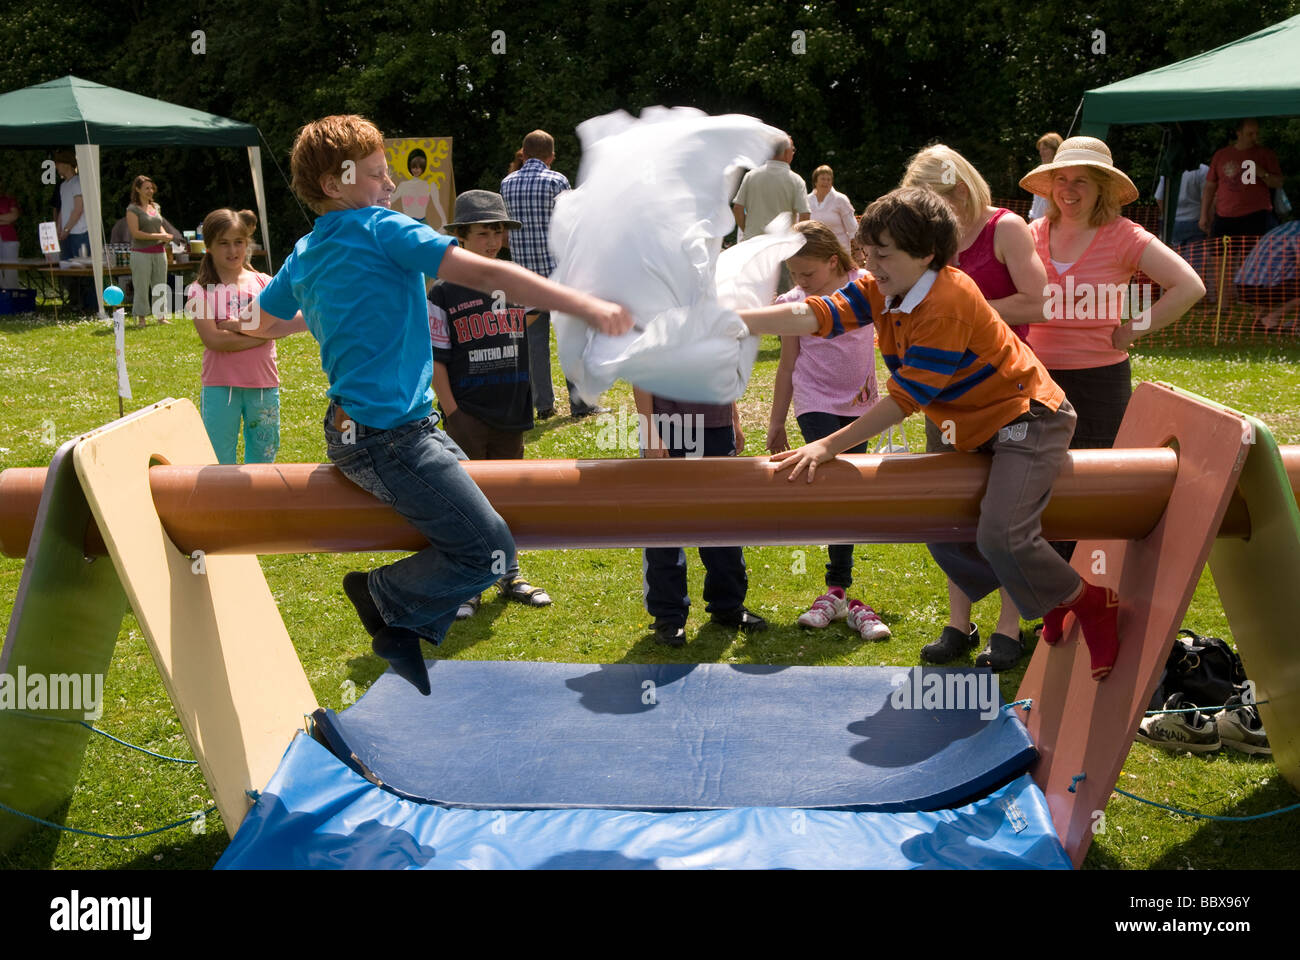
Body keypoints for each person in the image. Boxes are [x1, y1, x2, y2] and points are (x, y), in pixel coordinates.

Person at [228, 114, 632, 695]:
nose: (389, 186)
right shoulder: (383, 228)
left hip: (374, 428)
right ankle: (381, 596)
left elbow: (262, 321)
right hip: (386, 437)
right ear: (333, 183)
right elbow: (485, 272)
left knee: (475, 517)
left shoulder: (308, 249)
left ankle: (403, 629)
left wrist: (299, 319)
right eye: (375, 174)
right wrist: (583, 305)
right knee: (490, 548)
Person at [739, 187, 1122, 682]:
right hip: (966, 424)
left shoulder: (947, 301)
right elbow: (815, 314)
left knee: (1003, 533)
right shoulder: (885, 287)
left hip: (1027, 417)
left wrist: (828, 444)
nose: (869, 262)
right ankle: (1045, 593)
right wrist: (738, 322)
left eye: (882, 253)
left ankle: (1090, 602)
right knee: (938, 527)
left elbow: (905, 399)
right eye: (866, 251)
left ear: (924, 254)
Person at [900, 144, 1050, 669]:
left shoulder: (1006, 228)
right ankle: (957, 624)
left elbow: (1040, 301)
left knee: (1003, 514)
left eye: (931, 199)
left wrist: (964, 314)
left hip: (1004, 396)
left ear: (959, 190)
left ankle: (1009, 630)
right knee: (949, 510)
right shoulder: (929, 236)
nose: (924, 211)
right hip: (941, 395)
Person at [1019, 137, 1205, 553]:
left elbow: (1189, 285)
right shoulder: (1030, 234)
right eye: (1061, 179)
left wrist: (1134, 329)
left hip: (1100, 381)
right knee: (1033, 480)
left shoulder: (1123, 235)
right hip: (1034, 377)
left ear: (1102, 185)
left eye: (1081, 180)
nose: (1069, 189)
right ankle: (1048, 593)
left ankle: (1086, 588)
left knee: (1090, 485)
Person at [428, 189, 552, 618]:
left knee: (505, 499)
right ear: (461, 236)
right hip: (468, 414)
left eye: (498, 231)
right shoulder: (443, 293)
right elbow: (436, 359)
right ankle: (469, 583)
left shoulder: (514, 279)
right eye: (482, 232)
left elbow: (537, 311)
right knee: (468, 501)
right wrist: (453, 413)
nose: (492, 240)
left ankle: (510, 574)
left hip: (512, 409)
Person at [766, 221, 889, 641]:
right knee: (834, 481)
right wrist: (776, 420)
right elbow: (786, 366)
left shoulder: (867, 288)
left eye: (808, 274)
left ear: (834, 261)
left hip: (860, 405)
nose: (800, 282)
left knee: (849, 490)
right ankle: (836, 585)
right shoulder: (793, 305)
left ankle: (839, 588)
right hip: (814, 401)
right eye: (794, 275)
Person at [636, 387, 767, 646]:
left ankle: (728, 605)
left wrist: (734, 420)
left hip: (717, 427)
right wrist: (650, 431)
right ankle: (668, 616)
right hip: (668, 424)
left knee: (722, 520)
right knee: (664, 525)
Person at [501, 129, 602, 419]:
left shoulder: (506, 184)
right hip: (558, 275)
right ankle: (580, 405)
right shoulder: (557, 180)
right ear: (551, 156)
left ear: (523, 152)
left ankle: (543, 405)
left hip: (524, 279)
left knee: (535, 347)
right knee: (570, 341)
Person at [186, 208, 291, 464]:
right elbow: (214, 340)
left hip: (263, 385)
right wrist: (261, 335)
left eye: (238, 242)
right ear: (208, 246)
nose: (232, 250)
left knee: (263, 456)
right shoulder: (198, 290)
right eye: (223, 243)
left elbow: (286, 321)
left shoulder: (265, 283)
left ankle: (258, 505)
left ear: (247, 244)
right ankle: (222, 505)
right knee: (219, 458)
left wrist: (236, 329)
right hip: (220, 387)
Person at [1200, 119, 1285, 238]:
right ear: (1238, 133)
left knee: (1256, 255)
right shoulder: (1221, 155)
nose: (1255, 138)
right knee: (1219, 255)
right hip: (1225, 216)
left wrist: (1262, 174)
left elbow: (1279, 183)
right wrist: (1203, 215)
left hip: (1257, 216)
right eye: (1250, 134)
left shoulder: (1266, 154)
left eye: (1257, 133)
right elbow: (1210, 186)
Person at [732, 136, 811, 240]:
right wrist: (795, 240)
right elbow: (805, 215)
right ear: (786, 153)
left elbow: (738, 208)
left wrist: (748, 230)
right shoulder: (796, 180)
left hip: (752, 241)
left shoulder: (751, 176)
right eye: (793, 150)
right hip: (781, 243)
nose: (793, 153)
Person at [1235, 219, 1300, 331]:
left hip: (1245, 285)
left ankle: (1260, 320)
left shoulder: (1289, 227)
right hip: (1260, 288)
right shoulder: (1297, 232)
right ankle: (1271, 319)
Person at [126, 175, 173, 326]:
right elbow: (136, 233)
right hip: (141, 254)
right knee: (141, 286)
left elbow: (158, 224)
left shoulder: (156, 206)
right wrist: (160, 235)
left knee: (160, 285)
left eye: (152, 188)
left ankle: (161, 317)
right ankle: (141, 319)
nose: (150, 191)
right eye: (146, 188)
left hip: (159, 252)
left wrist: (164, 235)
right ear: (137, 189)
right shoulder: (132, 209)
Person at [53, 150, 95, 312]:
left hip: (80, 233)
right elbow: (64, 209)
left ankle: (90, 304)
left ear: (65, 164)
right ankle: (75, 302)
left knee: (83, 270)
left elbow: (78, 209)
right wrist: (59, 229)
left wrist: (67, 228)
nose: (56, 167)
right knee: (68, 270)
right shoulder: (63, 185)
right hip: (67, 234)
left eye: (57, 163)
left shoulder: (78, 182)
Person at [1155, 163, 1210, 247]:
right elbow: (1206, 198)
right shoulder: (1203, 170)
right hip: (1196, 222)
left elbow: (1159, 198)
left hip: (1173, 223)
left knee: (1172, 258)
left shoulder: (1169, 169)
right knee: (1195, 258)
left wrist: (1168, 216)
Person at [806, 165, 857, 252]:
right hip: (814, 250)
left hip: (838, 249)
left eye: (828, 179)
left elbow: (852, 228)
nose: (826, 182)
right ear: (815, 181)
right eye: (823, 179)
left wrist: (858, 250)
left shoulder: (840, 199)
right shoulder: (807, 200)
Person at [1027, 133, 1062, 222]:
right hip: (1038, 225)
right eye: (1040, 149)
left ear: (1055, 150)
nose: (1041, 153)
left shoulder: (1064, 175)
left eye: (1045, 149)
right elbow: (1036, 206)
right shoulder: (1039, 173)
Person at [0, 188, 19, 288]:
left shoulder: (8, 199)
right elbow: (9, 218)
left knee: (10, 269)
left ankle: (11, 297)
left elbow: (14, 216)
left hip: (9, 238)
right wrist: (5, 219)